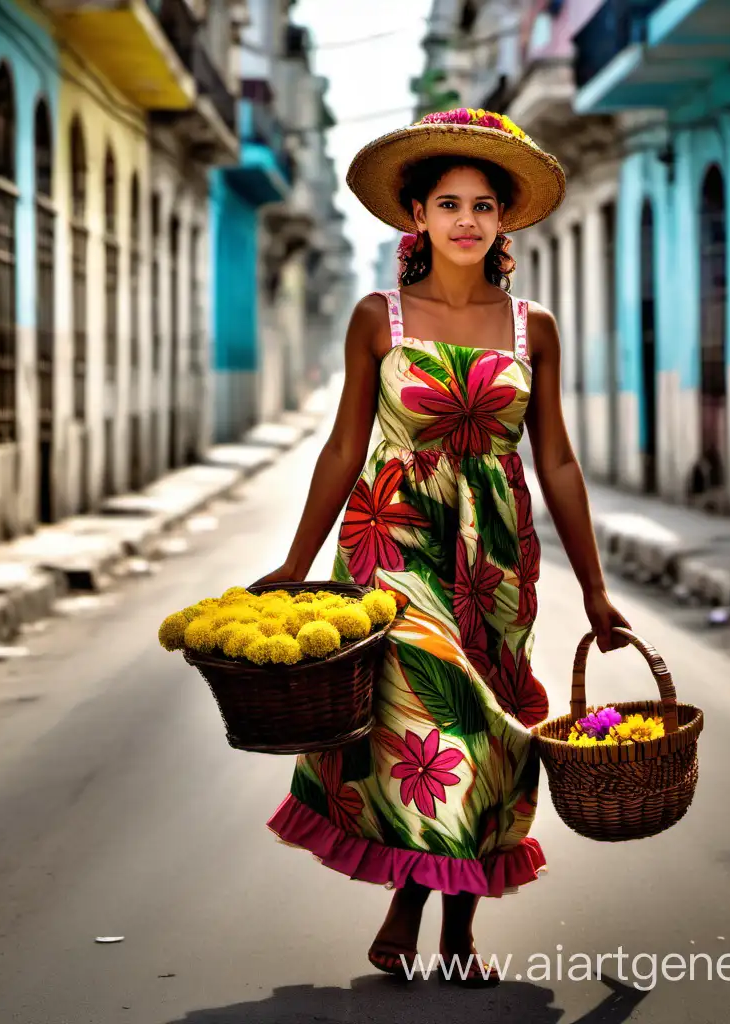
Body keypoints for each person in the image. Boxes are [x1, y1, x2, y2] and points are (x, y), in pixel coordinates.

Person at [253, 107, 631, 986]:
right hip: (393, 541)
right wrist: (299, 562)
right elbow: (345, 446)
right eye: (448, 202)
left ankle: (448, 925)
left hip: (495, 560)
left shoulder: (532, 327)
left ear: (503, 220)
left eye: (484, 205)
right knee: (432, 719)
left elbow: (561, 460)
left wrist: (598, 590)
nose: (467, 219)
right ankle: (409, 908)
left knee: (497, 732)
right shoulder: (376, 318)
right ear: (415, 217)